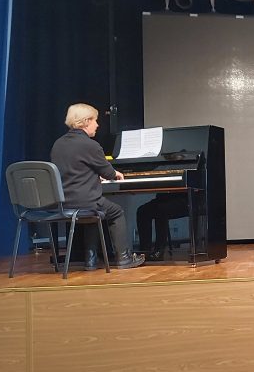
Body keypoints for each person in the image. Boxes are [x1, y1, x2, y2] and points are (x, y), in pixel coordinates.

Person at [50, 103, 145, 270]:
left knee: (95, 211)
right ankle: (124, 258)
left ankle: (91, 260)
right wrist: (115, 173)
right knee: (116, 211)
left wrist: (92, 176)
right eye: (95, 120)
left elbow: (73, 170)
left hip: (62, 203)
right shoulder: (90, 145)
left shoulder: (58, 144)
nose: (98, 125)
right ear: (86, 121)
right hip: (86, 202)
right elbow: (108, 173)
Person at [137, 193, 188, 261]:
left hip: (186, 198)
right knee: (142, 211)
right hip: (164, 198)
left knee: (161, 209)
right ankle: (144, 252)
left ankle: (159, 251)